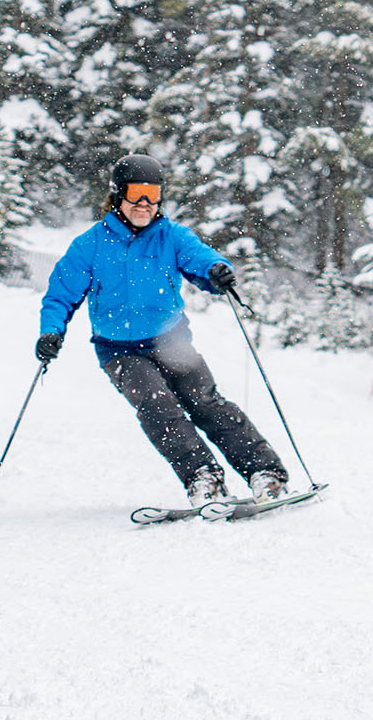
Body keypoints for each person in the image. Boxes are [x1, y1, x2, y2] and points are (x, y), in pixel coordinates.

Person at [35, 154, 290, 506]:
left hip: (171, 341)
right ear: (117, 194)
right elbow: (60, 296)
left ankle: (265, 473)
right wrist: (51, 332)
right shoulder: (90, 245)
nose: (144, 203)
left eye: (153, 194)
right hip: (119, 350)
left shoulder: (172, 237)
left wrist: (217, 270)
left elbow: (201, 258)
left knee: (206, 403)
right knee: (158, 407)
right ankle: (203, 477)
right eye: (136, 193)